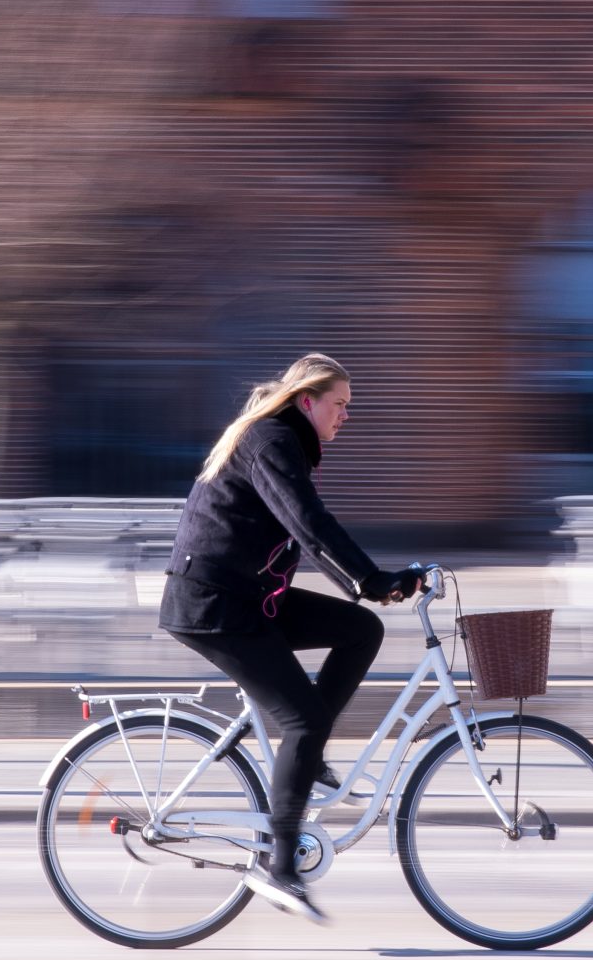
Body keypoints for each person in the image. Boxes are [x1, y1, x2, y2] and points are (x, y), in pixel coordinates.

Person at [159, 354, 424, 922]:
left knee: (359, 629)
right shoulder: (272, 441)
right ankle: (280, 868)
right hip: (214, 605)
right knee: (302, 719)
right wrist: (370, 580)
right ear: (307, 400)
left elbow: (304, 527)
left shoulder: (283, 441)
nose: (346, 416)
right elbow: (309, 522)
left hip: (248, 598)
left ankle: (308, 758)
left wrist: (369, 591)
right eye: (340, 404)